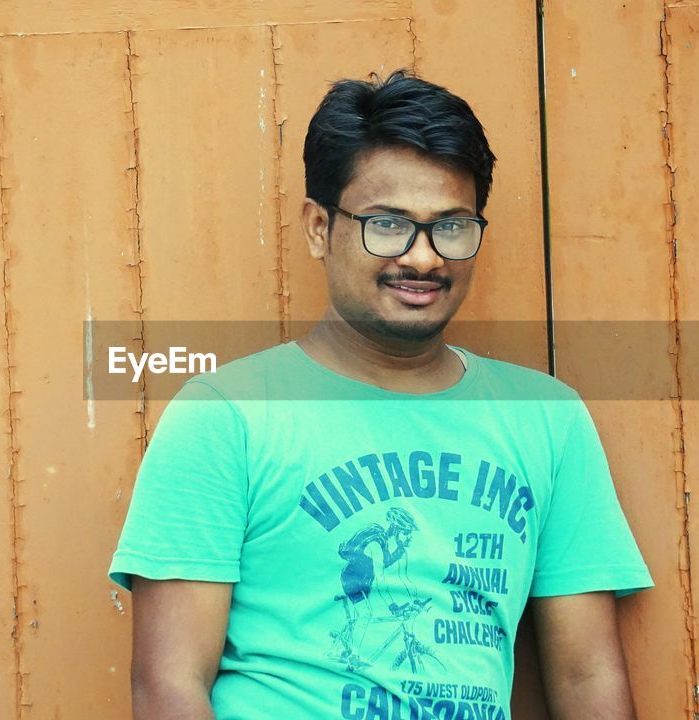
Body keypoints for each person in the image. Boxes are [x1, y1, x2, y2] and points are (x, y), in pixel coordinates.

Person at [109, 69, 652, 720]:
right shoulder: (227, 418)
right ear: (318, 227)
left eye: (451, 226)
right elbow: (169, 685)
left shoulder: (546, 419)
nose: (423, 258)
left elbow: (586, 676)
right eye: (388, 224)